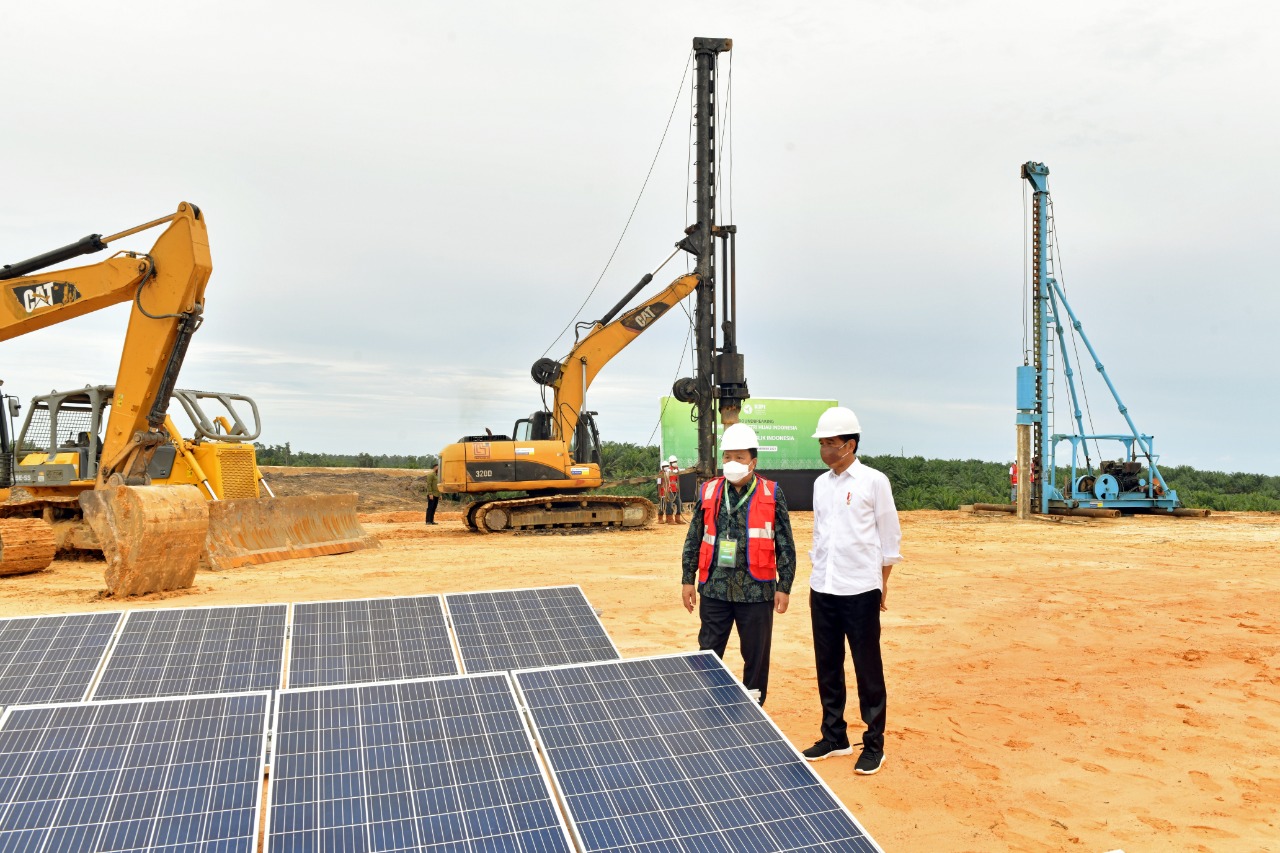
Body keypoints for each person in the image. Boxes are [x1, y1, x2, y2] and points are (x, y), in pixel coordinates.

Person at [802, 406, 902, 777]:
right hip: (823, 588)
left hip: (860, 589)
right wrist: (817, 574)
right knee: (827, 665)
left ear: (851, 444)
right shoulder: (820, 484)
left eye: (831, 443)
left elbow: (889, 539)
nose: (825, 450)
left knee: (867, 667)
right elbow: (819, 534)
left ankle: (874, 744)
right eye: (822, 443)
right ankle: (834, 737)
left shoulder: (874, 481)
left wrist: (882, 583)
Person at [681, 423, 796, 705]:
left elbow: (785, 543)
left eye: (739, 457)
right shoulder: (709, 491)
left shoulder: (771, 493)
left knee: (756, 657)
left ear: (753, 462)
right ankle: (705, 707)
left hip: (756, 591)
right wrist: (687, 579)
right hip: (714, 588)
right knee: (708, 653)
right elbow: (694, 536)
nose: (732, 462)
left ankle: (754, 711)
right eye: (727, 457)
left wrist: (784, 586)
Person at [658, 455, 684, 524]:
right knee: (668, 505)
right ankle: (669, 519)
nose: (675, 463)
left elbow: (677, 479)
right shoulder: (666, 471)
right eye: (673, 462)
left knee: (678, 503)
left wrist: (677, 487)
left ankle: (677, 518)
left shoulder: (676, 469)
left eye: (675, 461)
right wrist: (660, 493)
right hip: (668, 491)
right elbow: (659, 483)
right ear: (670, 463)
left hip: (675, 490)